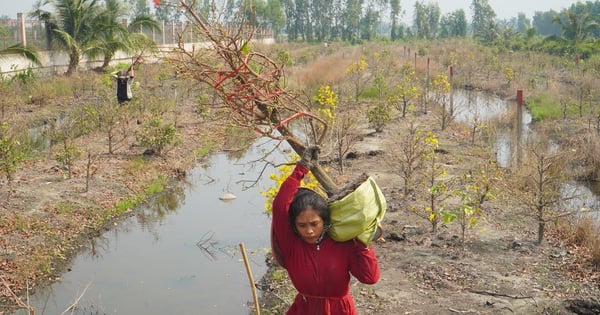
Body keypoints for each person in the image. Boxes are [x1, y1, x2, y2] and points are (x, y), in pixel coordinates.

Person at [271, 146, 380, 315]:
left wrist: (364, 242)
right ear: (294, 225)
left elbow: (370, 278)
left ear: (325, 221)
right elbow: (279, 206)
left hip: (340, 310)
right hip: (305, 309)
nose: (309, 231)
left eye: (314, 224)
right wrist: (301, 169)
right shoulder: (291, 244)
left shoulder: (344, 243)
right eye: (302, 225)